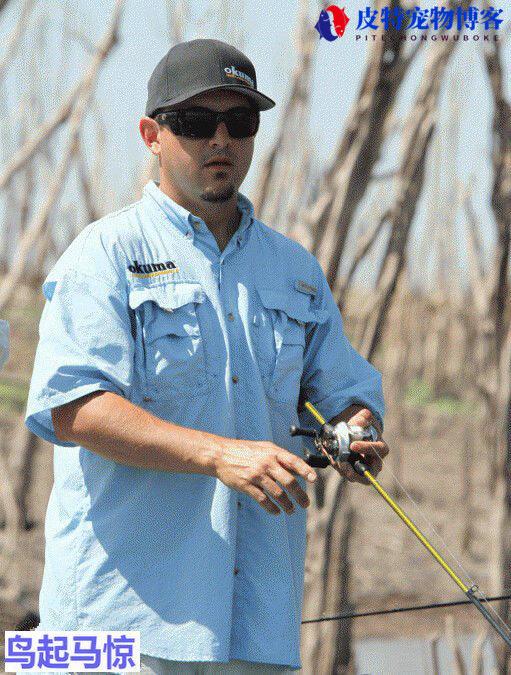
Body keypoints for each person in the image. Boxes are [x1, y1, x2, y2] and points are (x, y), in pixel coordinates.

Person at [25, 39, 388, 674]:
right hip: (111, 631)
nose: (220, 140)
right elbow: (73, 410)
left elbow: (348, 393)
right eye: (196, 123)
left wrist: (357, 434)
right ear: (151, 133)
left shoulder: (295, 271)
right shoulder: (102, 253)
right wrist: (221, 454)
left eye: (239, 122)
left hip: (254, 632)